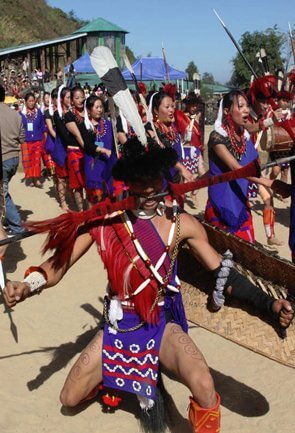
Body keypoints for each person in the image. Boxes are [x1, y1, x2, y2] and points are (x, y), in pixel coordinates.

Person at [3, 137, 293, 433]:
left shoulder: (182, 224)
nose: (150, 188)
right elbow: (57, 266)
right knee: (69, 398)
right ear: (128, 183)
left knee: (204, 383)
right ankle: (112, 378)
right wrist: (27, 286)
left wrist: (268, 303)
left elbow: (224, 275)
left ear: (163, 177)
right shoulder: (105, 221)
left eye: (154, 177)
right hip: (121, 325)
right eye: (141, 181)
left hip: (161, 322)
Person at [204, 89, 286, 244]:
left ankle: (270, 235)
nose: (246, 110)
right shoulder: (216, 137)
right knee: (223, 256)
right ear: (227, 111)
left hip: (241, 201)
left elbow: (254, 127)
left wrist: (271, 120)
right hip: (222, 204)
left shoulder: (243, 134)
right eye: (240, 106)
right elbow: (236, 169)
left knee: (246, 248)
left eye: (247, 106)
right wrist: (269, 183)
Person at [246, 75, 285, 246]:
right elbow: (250, 127)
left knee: (268, 197)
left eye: (266, 101)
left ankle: (270, 235)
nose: (265, 105)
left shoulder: (263, 113)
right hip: (238, 168)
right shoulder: (245, 113)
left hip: (252, 167)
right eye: (262, 101)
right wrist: (270, 120)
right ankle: (246, 237)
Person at [0, 85, 26, 235]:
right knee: (2, 191)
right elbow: (22, 138)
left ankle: (17, 226)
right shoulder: (15, 115)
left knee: (3, 193)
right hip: (14, 158)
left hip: (2, 159)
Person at [82, 94, 116, 204]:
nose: (100, 110)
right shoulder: (85, 126)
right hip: (93, 165)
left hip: (107, 162)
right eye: (97, 107)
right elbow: (88, 145)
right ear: (89, 109)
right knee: (95, 196)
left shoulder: (108, 124)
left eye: (101, 107)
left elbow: (113, 143)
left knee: (109, 195)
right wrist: (105, 151)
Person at [64, 86, 86, 211]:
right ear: (72, 100)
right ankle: (81, 210)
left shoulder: (90, 112)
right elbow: (78, 135)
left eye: (82, 97)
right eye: (77, 98)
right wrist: (90, 148)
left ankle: (90, 209)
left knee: (90, 182)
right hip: (75, 151)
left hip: (88, 151)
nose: (80, 100)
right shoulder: (69, 115)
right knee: (77, 184)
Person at [20, 92, 46, 188]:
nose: (31, 103)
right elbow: (19, 128)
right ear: (26, 102)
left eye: (33, 101)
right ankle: (30, 177)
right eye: (29, 101)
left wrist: (45, 137)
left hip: (38, 139)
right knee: (28, 160)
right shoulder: (21, 114)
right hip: (26, 141)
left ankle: (36, 179)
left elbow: (43, 126)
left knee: (36, 160)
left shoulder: (39, 112)